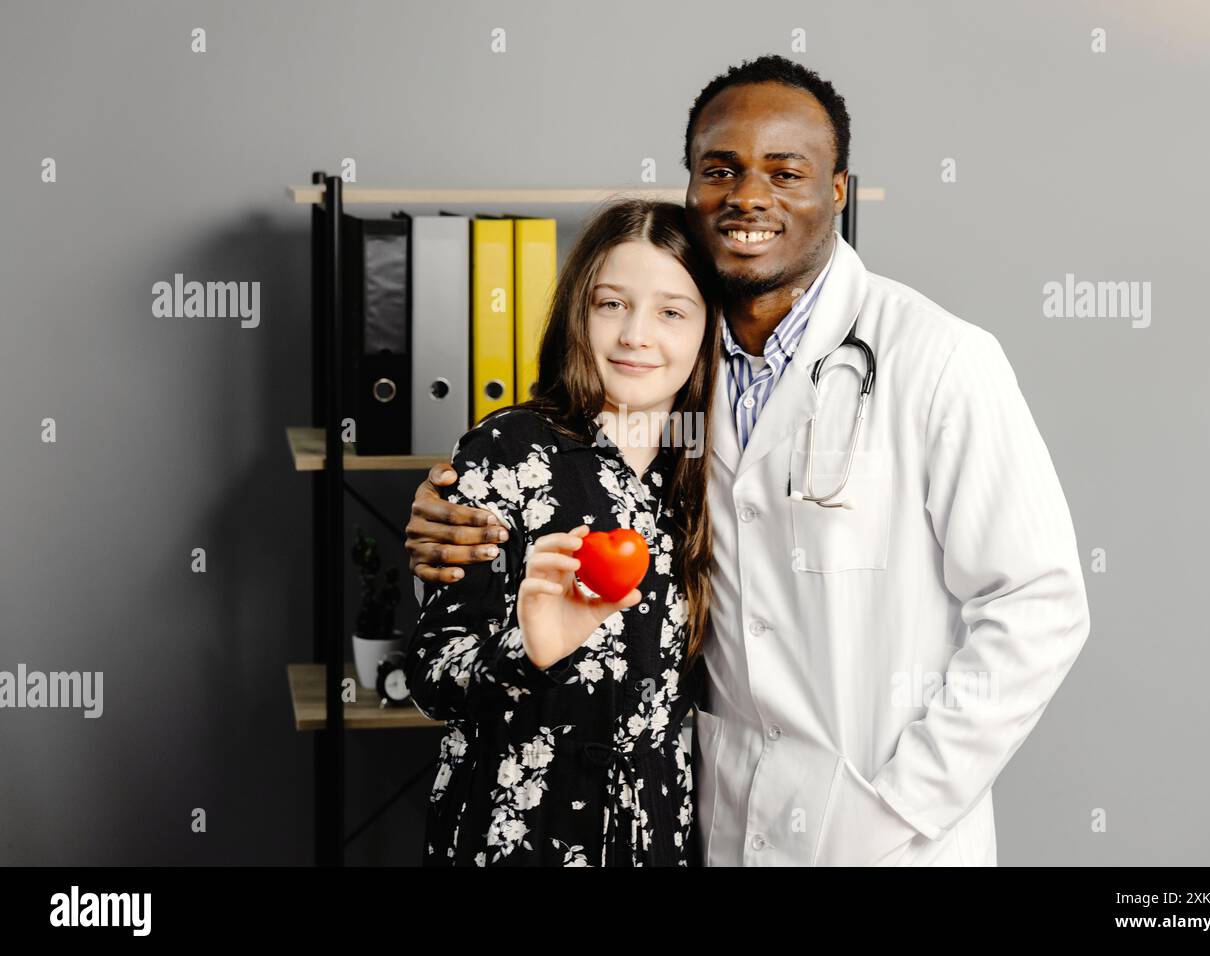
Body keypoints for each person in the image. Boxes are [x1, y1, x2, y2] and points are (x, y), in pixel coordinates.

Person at [407, 56, 1091, 867]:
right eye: (720, 169)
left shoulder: (940, 358)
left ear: (837, 189)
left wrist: (907, 802)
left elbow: (1039, 604)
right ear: (691, 185)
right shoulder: (683, 373)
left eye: (786, 171)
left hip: (890, 826)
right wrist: (454, 514)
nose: (749, 197)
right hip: (717, 820)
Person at [403, 198, 723, 866]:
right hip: (517, 827)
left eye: (671, 310)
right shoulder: (508, 449)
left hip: (657, 831)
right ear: (579, 312)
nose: (637, 334)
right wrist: (529, 649)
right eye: (611, 304)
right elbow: (431, 678)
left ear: (706, 327)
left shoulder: (715, 466)